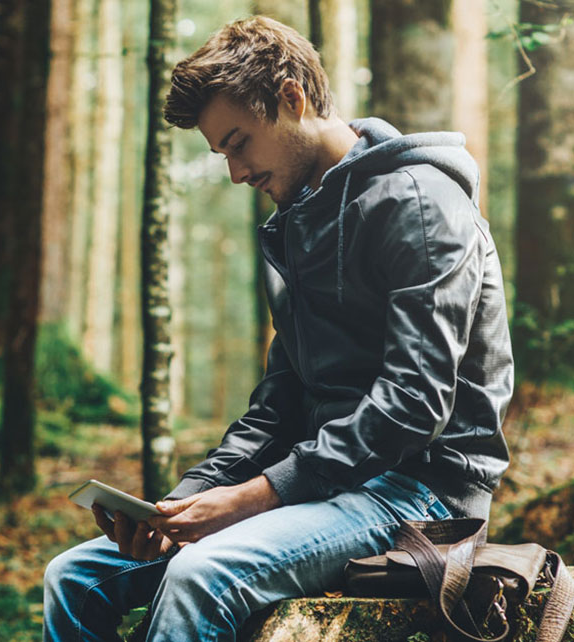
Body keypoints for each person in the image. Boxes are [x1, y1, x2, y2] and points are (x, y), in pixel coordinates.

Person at [43, 15, 513, 642]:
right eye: (222, 153)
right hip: (324, 485)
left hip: (422, 492)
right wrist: (182, 505)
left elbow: (415, 403)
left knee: (201, 574)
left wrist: (253, 497)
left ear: (292, 96)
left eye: (239, 142)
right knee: (73, 576)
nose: (235, 173)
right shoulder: (298, 225)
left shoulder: (419, 203)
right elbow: (277, 406)